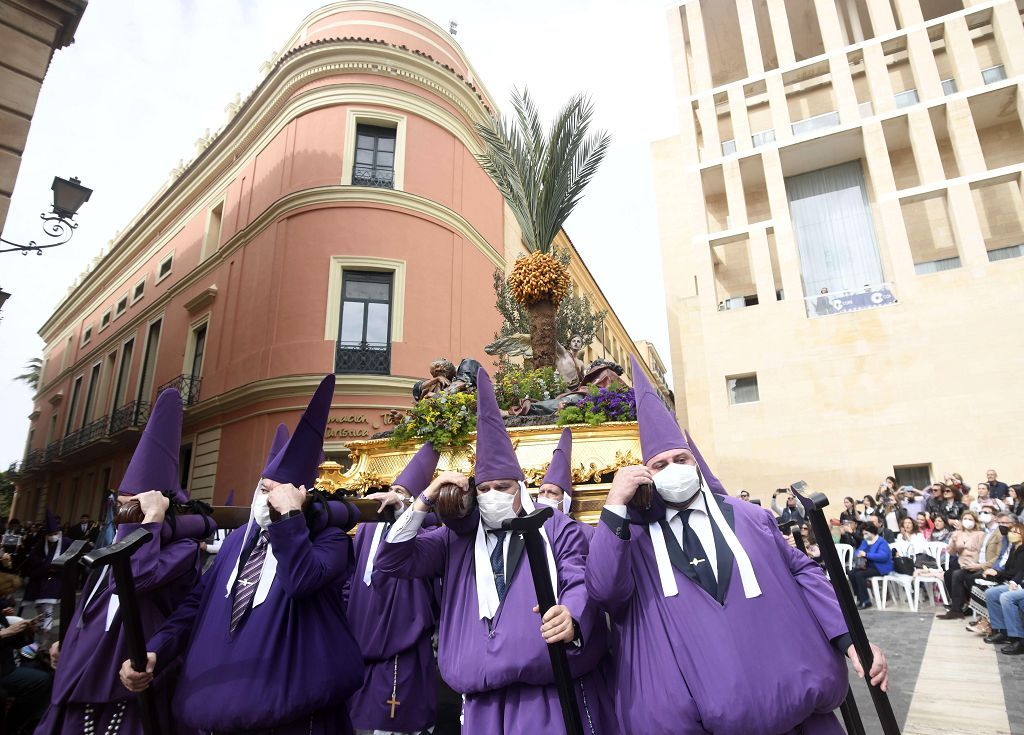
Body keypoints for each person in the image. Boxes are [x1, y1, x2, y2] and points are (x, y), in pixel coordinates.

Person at [585, 356, 886, 735]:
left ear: (697, 464)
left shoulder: (750, 518)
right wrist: (614, 505)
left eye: (682, 459)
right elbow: (604, 590)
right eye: (660, 465)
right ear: (645, 475)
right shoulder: (635, 539)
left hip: (797, 714)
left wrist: (851, 641)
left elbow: (804, 573)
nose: (674, 468)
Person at [374, 368, 615, 734]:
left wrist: (573, 615)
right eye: (483, 489)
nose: (491, 496)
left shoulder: (556, 527)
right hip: (480, 702)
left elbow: (578, 576)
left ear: (520, 488)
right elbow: (392, 559)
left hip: (546, 696)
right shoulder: (455, 540)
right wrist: (424, 499)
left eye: (501, 486)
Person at [122, 375, 364, 734]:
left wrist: (290, 519)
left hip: (295, 718)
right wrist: (156, 650)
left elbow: (301, 580)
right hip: (222, 707)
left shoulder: (331, 541)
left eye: (279, 492)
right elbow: (194, 607)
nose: (268, 499)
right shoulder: (237, 541)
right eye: (264, 489)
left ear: (301, 497)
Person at [36, 389, 209, 735]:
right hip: (79, 674)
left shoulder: (183, 550)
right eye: (122, 501)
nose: (124, 511)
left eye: (135, 503)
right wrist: (66, 643)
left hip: (128, 686)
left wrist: (152, 524)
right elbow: (94, 600)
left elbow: (132, 579)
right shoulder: (113, 540)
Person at [347, 442, 440, 735]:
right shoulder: (366, 527)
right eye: (393, 490)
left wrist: (405, 513)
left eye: (403, 495)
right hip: (360, 633)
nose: (392, 497)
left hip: (402, 640)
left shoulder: (426, 533)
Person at [2, 609, 51, 734]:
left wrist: (28, 632)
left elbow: (22, 647)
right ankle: (12, 727)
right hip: (6, 669)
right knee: (39, 680)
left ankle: (31, 723)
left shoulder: (4, 617)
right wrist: (5, 633)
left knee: (45, 671)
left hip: (14, 662)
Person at [19, 510, 68, 631]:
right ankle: (41, 623)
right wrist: (43, 563)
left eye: (55, 533)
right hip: (40, 576)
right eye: (50, 534)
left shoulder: (66, 542)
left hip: (56, 577)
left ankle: (47, 625)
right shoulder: (41, 543)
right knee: (39, 603)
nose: (53, 536)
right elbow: (32, 557)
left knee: (48, 603)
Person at [982, 522, 1024, 654]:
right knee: (991, 593)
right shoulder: (1013, 548)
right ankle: (1002, 631)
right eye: (1011, 531)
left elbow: (1021, 571)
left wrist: (1015, 582)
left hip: (1020, 583)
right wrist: (997, 574)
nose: (1012, 534)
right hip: (1016, 582)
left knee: (1006, 597)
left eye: (1016, 532)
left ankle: (1017, 639)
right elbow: (1010, 570)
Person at [937, 510, 985, 619]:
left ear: (975, 521)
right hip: (961, 563)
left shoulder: (980, 534)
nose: (967, 521)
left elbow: (982, 552)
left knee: (957, 574)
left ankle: (958, 608)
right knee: (948, 574)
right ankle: (958, 604)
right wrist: (954, 542)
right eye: (965, 519)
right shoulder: (957, 533)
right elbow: (951, 552)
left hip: (974, 564)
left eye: (970, 519)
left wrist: (976, 564)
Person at [849, 524, 893, 609]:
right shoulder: (866, 542)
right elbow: (858, 551)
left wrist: (866, 554)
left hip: (881, 567)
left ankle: (866, 601)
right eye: (863, 534)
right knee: (851, 573)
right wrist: (859, 553)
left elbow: (883, 557)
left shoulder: (881, 542)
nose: (864, 536)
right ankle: (859, 598)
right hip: (869, 566)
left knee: (859, 575)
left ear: (872, 533)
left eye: (866, 533)